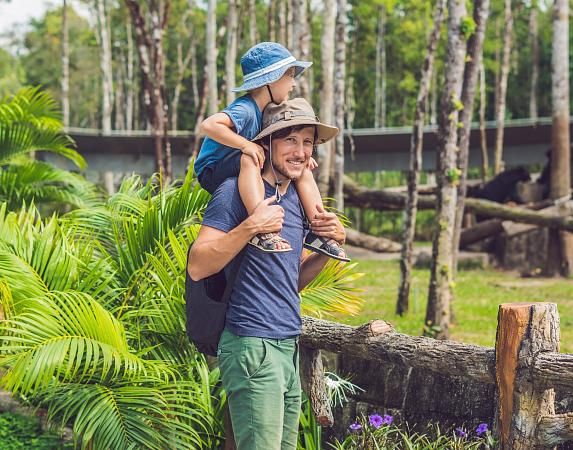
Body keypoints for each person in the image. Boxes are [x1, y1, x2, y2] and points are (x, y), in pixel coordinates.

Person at [187, 98, 346, 450]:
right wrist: (250, 226)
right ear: (266, 143)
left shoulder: (296, 201)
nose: (300, 151)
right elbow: (197, 264)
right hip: (251, 344)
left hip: (287, 342)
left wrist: (326, 247)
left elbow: (292, 282)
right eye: (290, 140)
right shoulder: (234, 194)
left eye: (307, 142)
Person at [194, 41, 348, 261]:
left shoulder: (264, 111)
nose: (293, 84)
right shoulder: (246, 109)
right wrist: (245, 145)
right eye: (290, 76)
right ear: (272, 79)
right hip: (213, 168)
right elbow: (209, 125)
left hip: (237, 162)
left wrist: (300, 157)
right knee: (250, 156)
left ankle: (320, 230)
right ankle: (263, 226)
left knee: (302, 170)